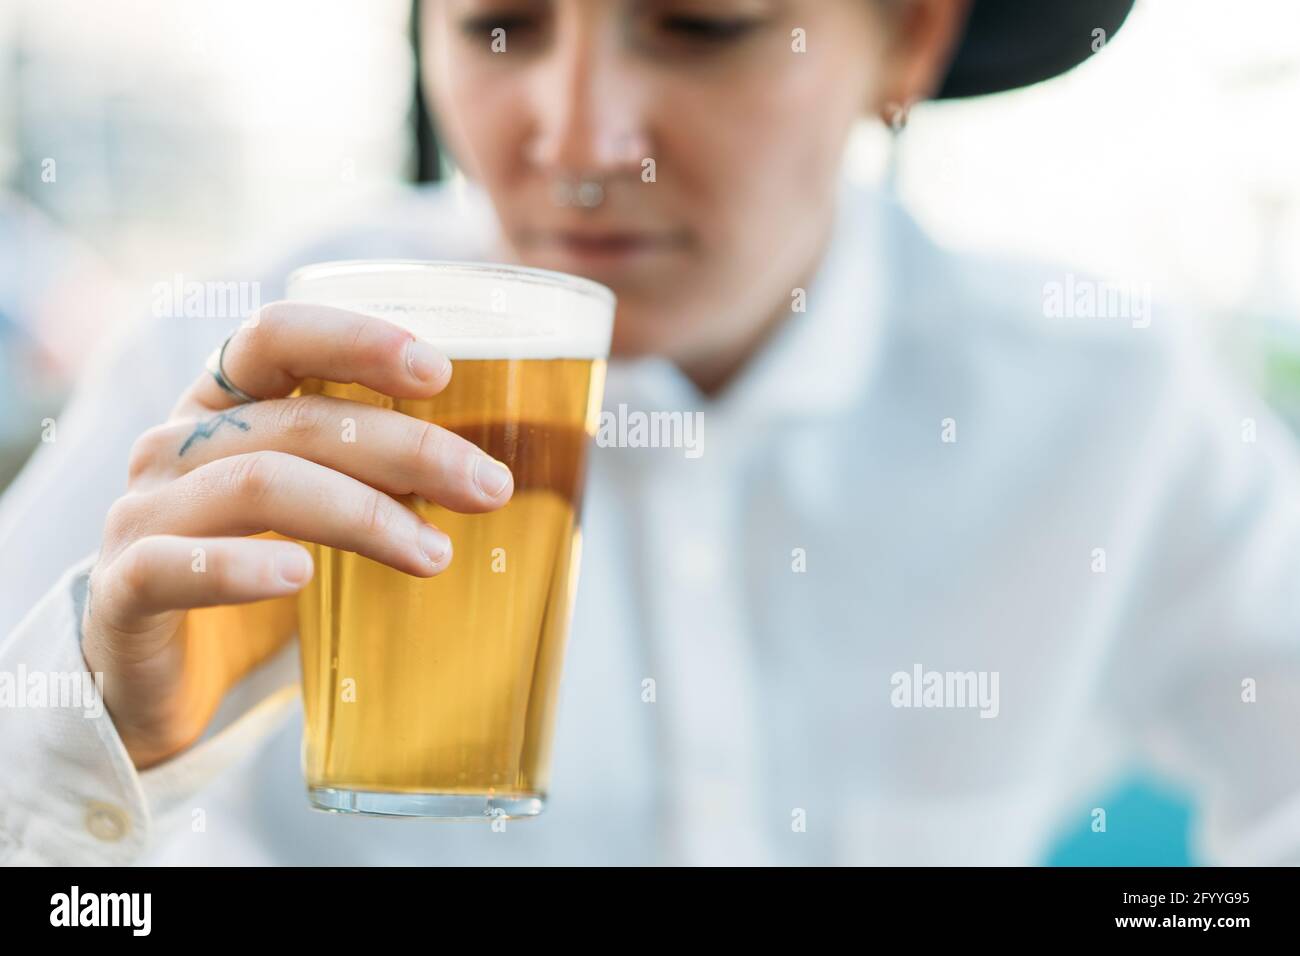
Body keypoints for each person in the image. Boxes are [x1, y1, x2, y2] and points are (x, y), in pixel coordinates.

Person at [3, 0, 1299, 866]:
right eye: (501, 24)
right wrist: (96, 748)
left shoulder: (1108, 407)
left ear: (907, 42)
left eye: (698, 25)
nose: (575, 140)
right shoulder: (231, 375)